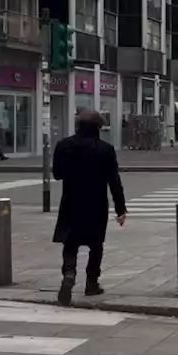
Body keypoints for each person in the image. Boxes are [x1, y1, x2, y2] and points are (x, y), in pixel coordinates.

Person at [52, 109, 126, 306]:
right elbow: (114, 181)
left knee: (70, 243)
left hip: (71, 201)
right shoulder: (105, 149)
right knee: (96, 245)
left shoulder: (64, 145)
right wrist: (121, 209)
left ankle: (69, 272)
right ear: (98, 128)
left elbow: (57, 174)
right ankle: (91, 283)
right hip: (96, 203)